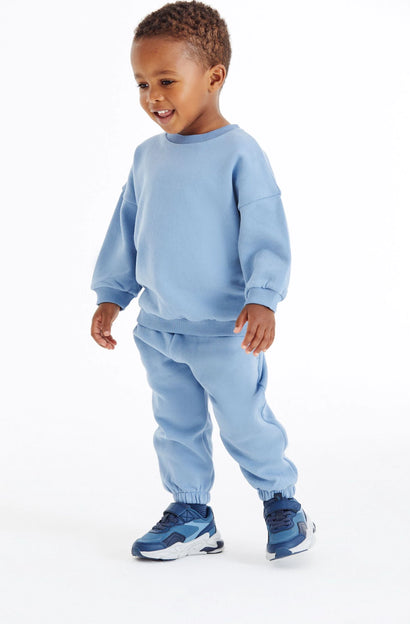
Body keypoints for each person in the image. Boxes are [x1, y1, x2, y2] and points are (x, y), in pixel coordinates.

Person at [90, 0, 316, 562]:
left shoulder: (239, 152)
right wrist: (111, 296)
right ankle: (192, 513)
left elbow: (265, 230)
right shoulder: (146, 157)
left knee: (244, 421)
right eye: (142, 83)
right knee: (176, 425)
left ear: (214, 77)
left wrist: (264, 298)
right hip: (160, 329)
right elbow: (127, 229)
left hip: (225, 331)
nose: (152, 97)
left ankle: (282, 501)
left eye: (166, 81)